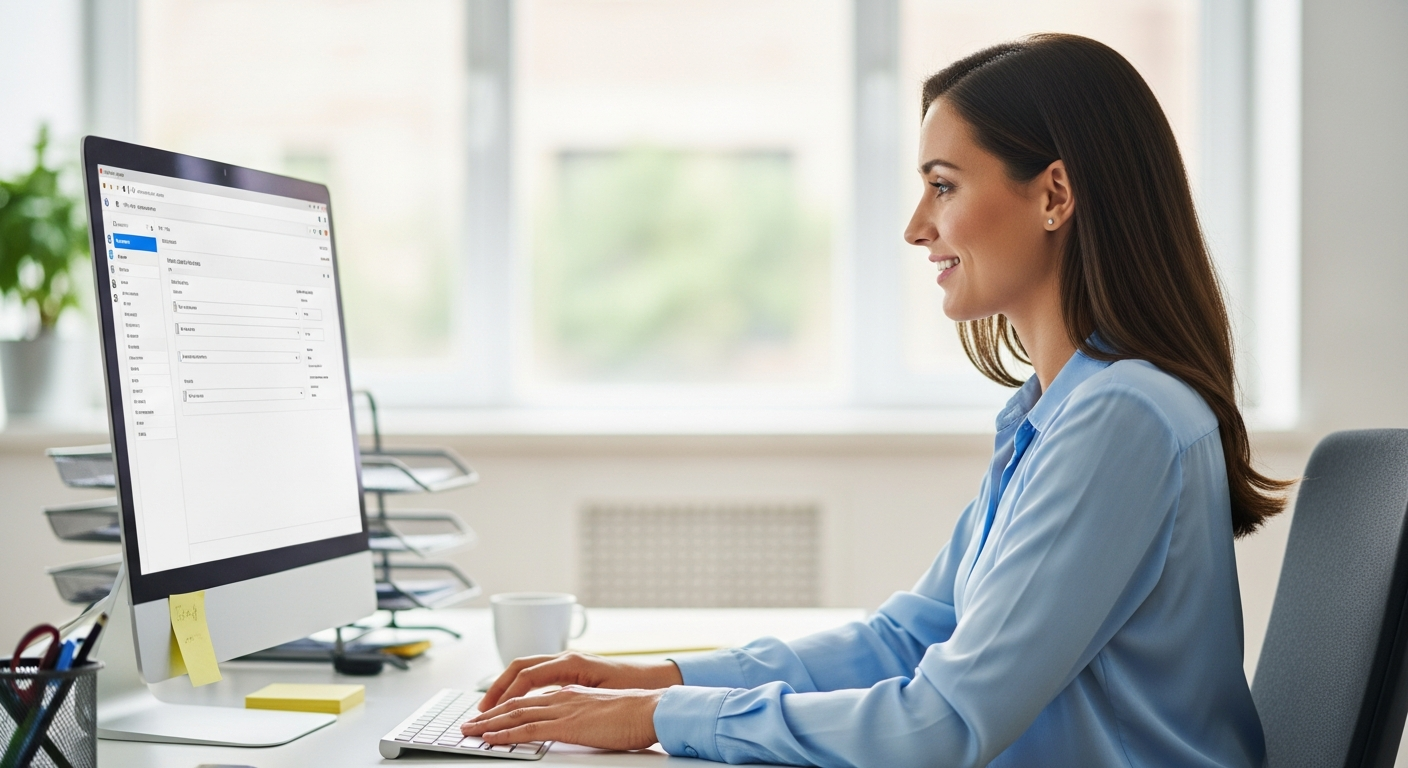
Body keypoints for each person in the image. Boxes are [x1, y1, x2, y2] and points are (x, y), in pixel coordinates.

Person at [461, 33, 1291, 767]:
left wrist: (659, 717)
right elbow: (911, 637)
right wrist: (664, 677)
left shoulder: (1122, 419)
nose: (916, 227)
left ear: (1053, 195)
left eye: (943, 186)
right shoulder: (1057, 413)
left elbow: (943, 723)